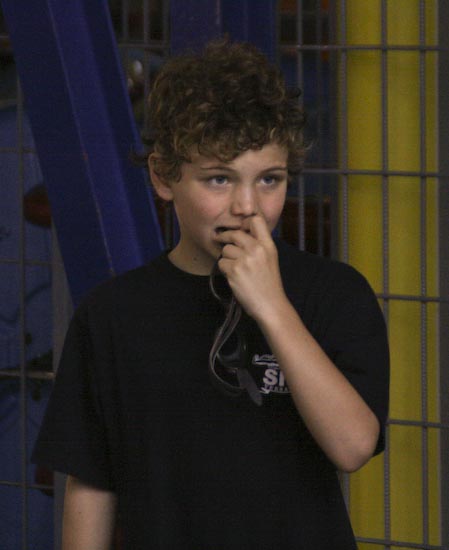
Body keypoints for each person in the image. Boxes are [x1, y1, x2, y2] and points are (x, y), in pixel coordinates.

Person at [32, 39, 389, 549]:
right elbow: (91, 481)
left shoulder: (333, 292)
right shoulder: (112, 315)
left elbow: (353, 446)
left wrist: (272, 308)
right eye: (219, 179)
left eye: (269, 179)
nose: (247, 206)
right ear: (163, 176)